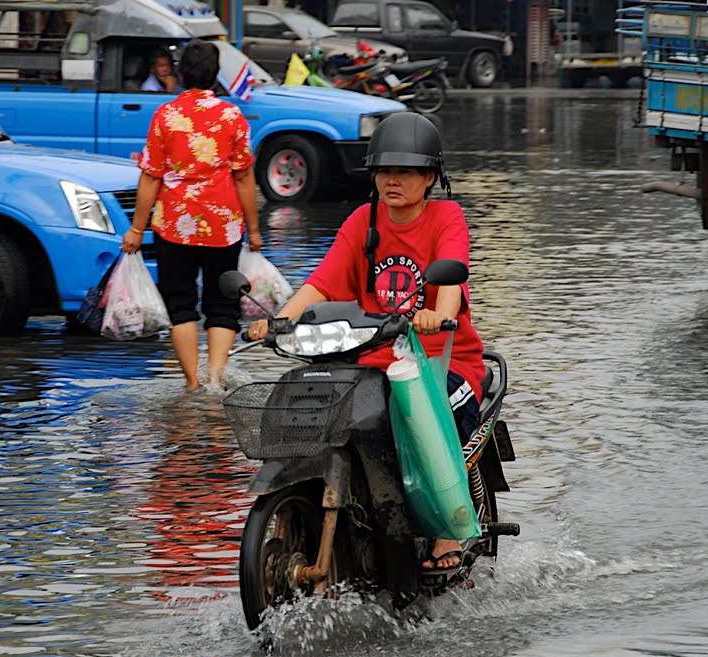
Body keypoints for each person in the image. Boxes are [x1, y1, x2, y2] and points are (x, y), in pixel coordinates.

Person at [248, 111, 485, 571]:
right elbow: (322, 282)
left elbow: (452, 272)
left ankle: (446, 531)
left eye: (404, 172)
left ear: (429, 176)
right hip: (368, 357)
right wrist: (279, 320)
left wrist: (440, 314)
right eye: (384, 171)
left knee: (432, 418)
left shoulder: (446, 216)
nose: (392, 181)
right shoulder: (363, 220)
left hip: (438, 358)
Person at [122, 39, 263, 390]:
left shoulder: (166, 115)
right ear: (215, 76)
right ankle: (215, 378)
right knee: (222, 302)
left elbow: (151, 175)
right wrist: (255, 229)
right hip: (223, 223)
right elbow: (244, 176)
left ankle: (192, 384)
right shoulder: (232, 116)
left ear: (182, 73)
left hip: (174, 223)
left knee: (180, 301)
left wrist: (136, 230)